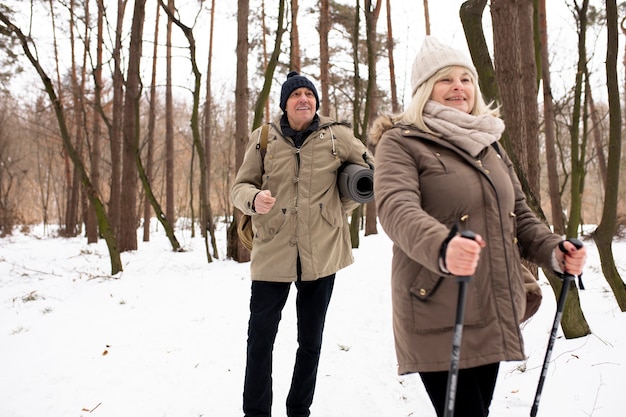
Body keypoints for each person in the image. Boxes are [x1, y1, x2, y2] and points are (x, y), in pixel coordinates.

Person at [371, 36, 587, 417]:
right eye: (445, 79)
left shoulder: (489, 145)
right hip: (437, 306)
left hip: (490, 302)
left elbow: (519, 215)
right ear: (424, 90)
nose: (458, 87)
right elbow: (395, 208)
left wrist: (554, 250)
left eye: (465, 79)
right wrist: (443, 245)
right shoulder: (401, 142)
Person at [231, 71, 374, 417]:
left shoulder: (338, 135)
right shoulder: (263, 138)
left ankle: (299, 409)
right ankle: (256, 412)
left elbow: (370, 171)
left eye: (309, 94)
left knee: (310, 342)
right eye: (296, 95)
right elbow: (239, 188)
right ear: (284, 104)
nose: (304, 99)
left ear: (316, 102)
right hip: (272, 251)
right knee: (260, 341)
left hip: (320, 253)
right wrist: (255, 200)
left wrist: (336, 209)